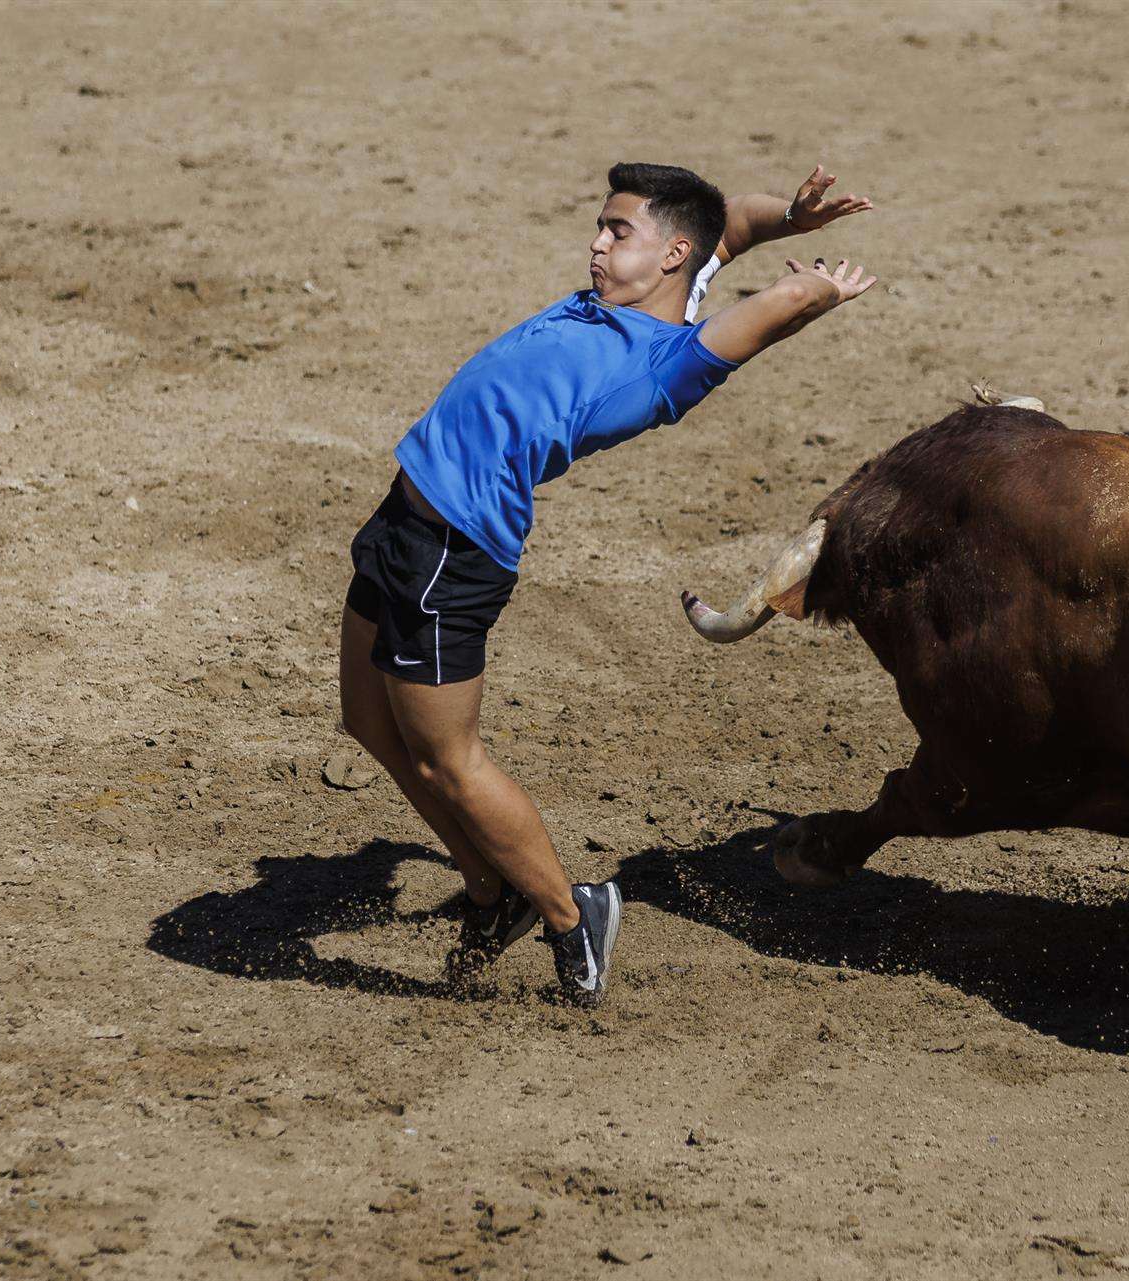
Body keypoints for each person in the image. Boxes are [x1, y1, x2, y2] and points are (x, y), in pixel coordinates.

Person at [337, 162, 876, 1006]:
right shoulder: (635, 289)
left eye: (616, 232)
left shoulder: (670, 363)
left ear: (672, 254)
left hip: (455, 547)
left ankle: (568, 911)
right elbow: (729, 222)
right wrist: (794, 218)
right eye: (601, 226)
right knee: (368, 719)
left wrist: (814, 290)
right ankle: (491, 891)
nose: (595, 243)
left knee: (447, 760)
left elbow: (764, 316)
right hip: (404, 519)